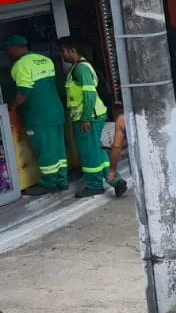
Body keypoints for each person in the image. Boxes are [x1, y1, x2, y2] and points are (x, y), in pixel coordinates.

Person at [2, 35, 67, 195]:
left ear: (15, 48)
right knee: (58, 149)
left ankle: (48, 183)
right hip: (56, 112)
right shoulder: (45, 60)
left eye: (7, 50)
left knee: (45, 150)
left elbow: (23, 92)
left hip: (39, 116)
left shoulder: (19, 65)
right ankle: (62, 180)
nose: (7, 54)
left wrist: (12, 106)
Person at [58, 41, 108, 199]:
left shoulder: (80, 69)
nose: (61, 55)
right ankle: (115, 180)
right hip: (91, 116)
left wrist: (86, 118)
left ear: (72, 50)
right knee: (96, 150)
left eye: (63, 51)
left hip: (88, 118)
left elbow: (89, 94)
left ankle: (95, 185)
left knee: (88, 153)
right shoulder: (78, 67)